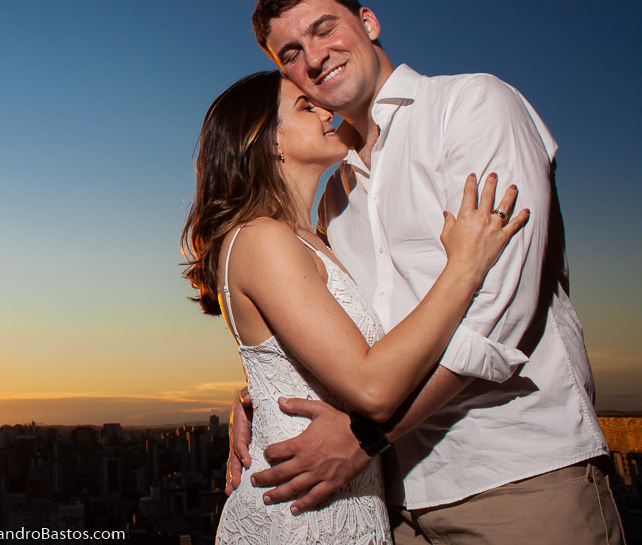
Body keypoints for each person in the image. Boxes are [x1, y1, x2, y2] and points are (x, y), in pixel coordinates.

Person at [228, 0, 622, 544]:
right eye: (292, 52)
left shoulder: (470, 106)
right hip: (392, 501)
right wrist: (262, 392)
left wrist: (364, 436)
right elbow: (344, 330)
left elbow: (500, 313)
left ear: (367, 22)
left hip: (514, 478)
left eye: (324, 28)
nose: (314, 58)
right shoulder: (335, 198)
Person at [182, 70, 528, 544]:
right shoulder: (262, 239)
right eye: (307, 106)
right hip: (297, 518)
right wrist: (464, 266)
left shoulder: (315, 237)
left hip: (352, 504)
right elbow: (372, 385)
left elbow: (308, 354)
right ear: (267, 142)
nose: (328, 110)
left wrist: (256, 393)